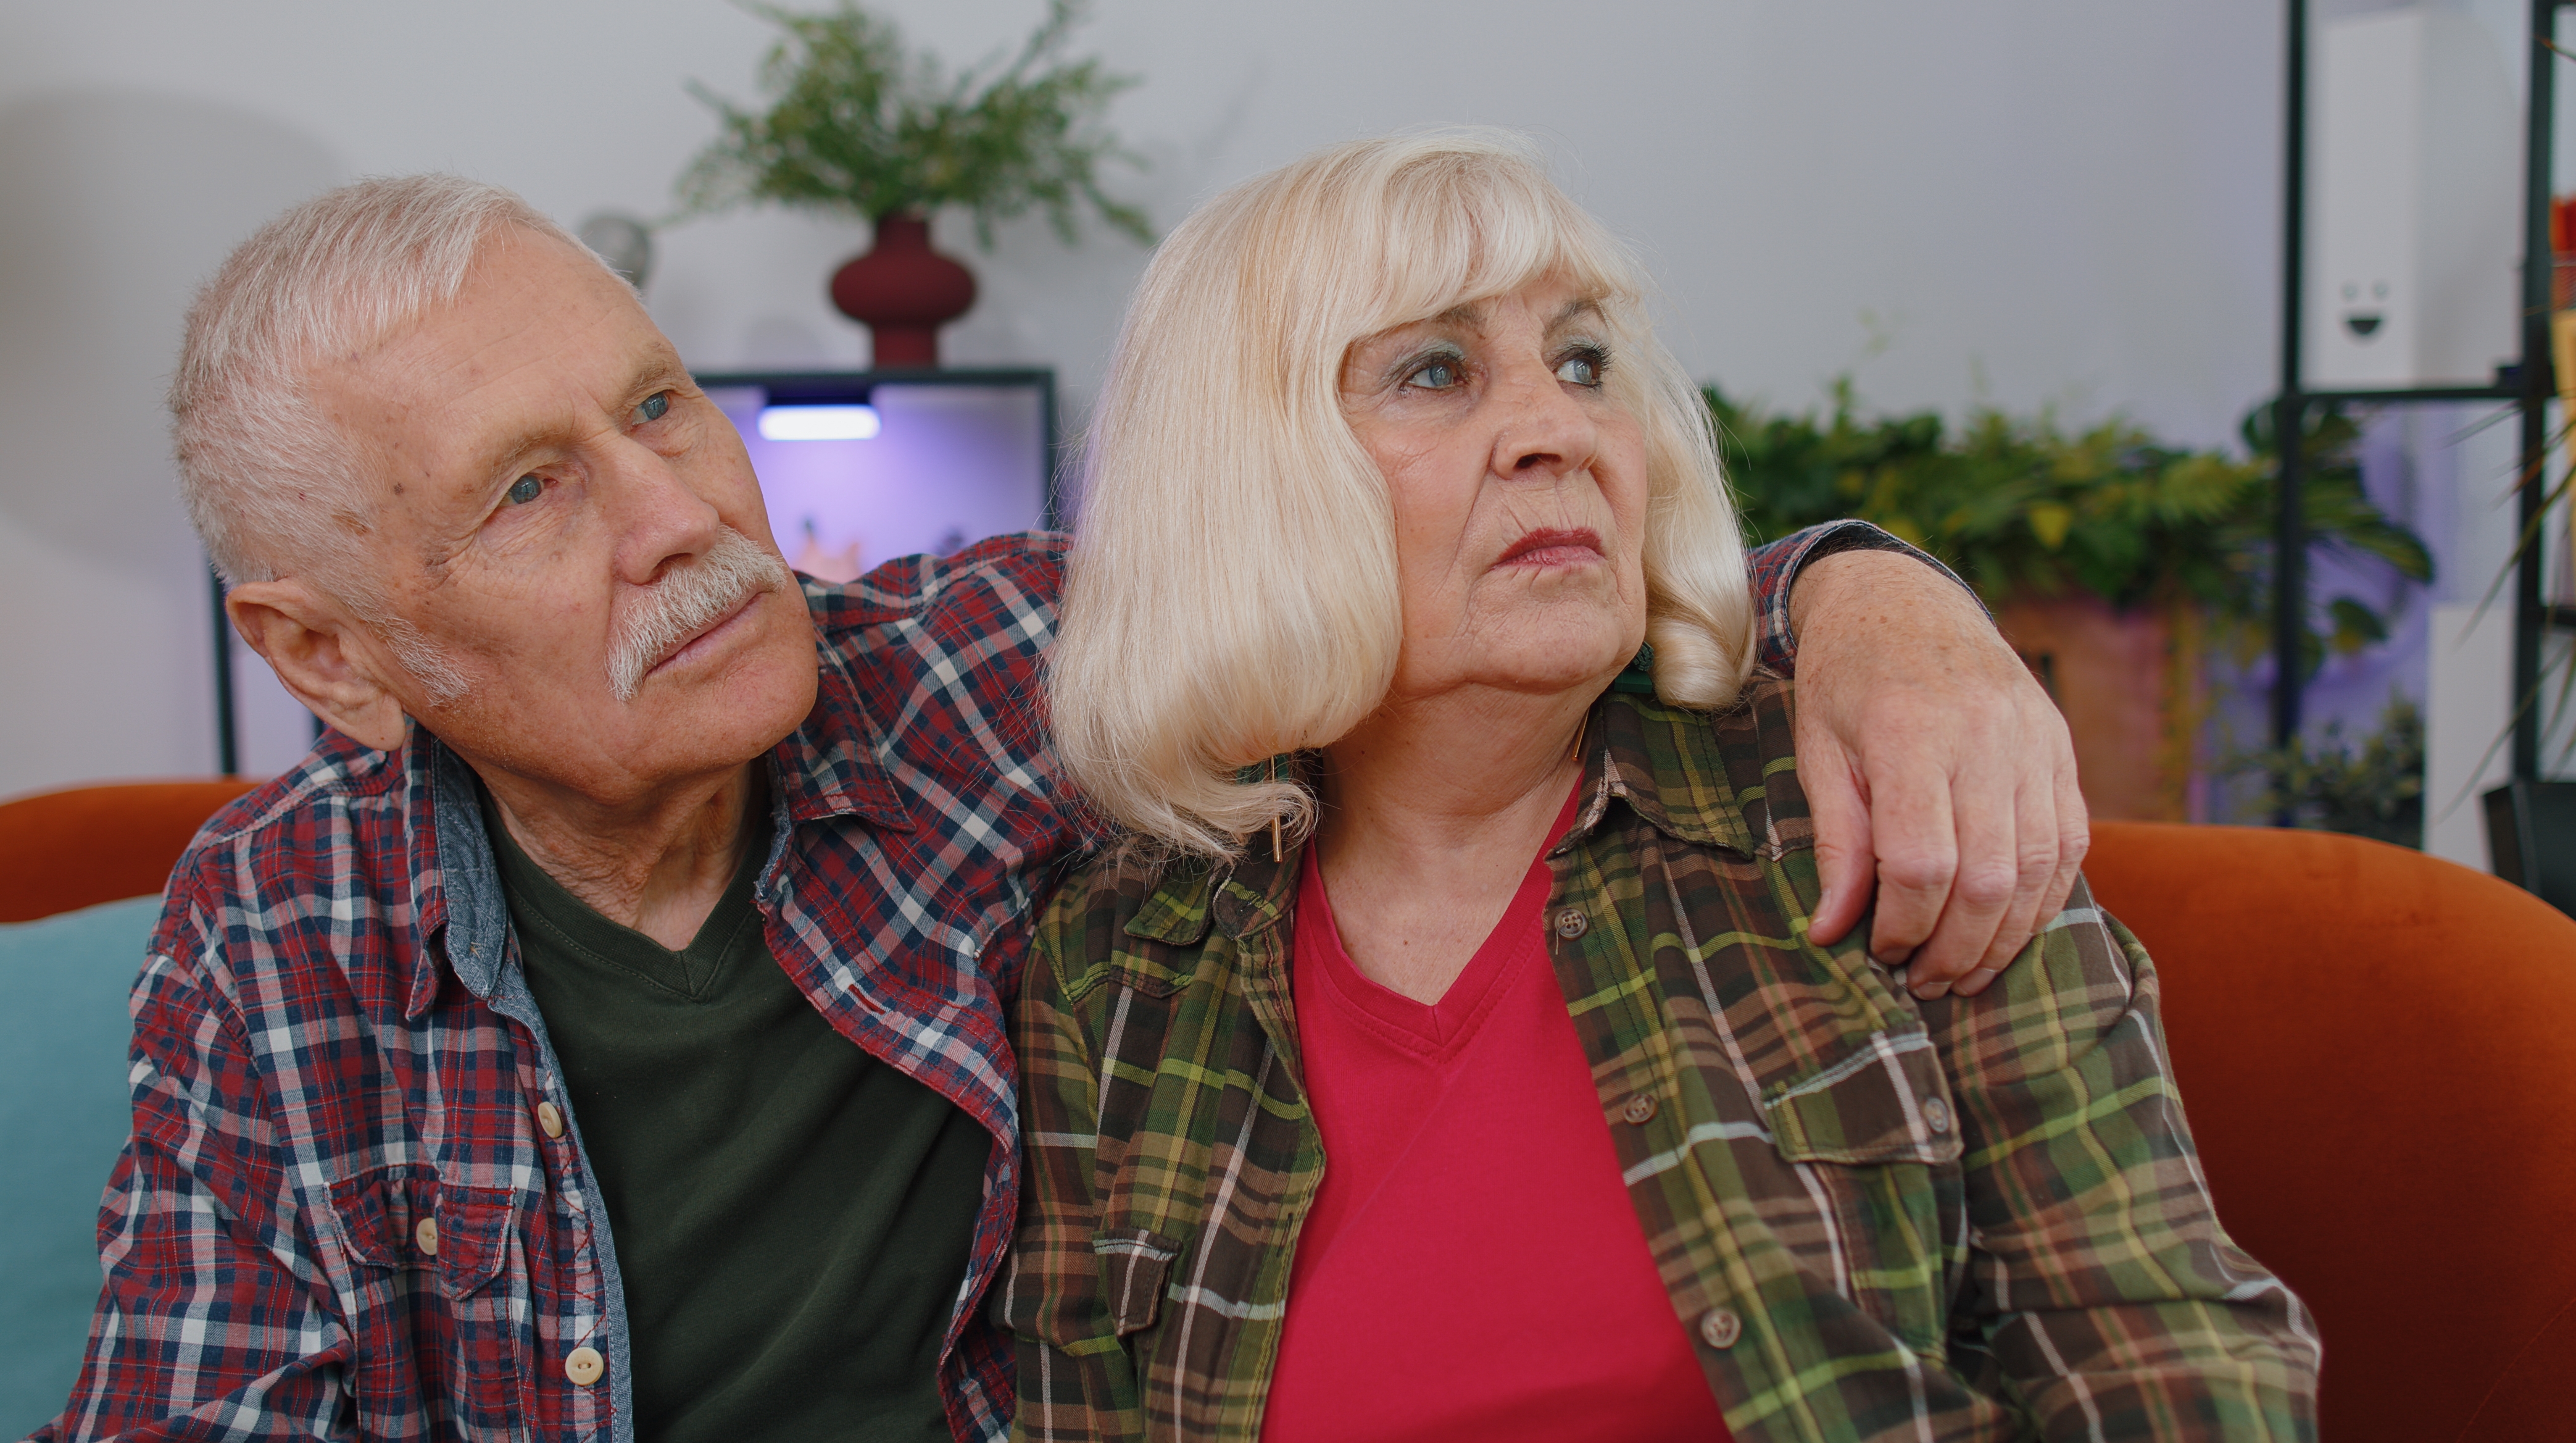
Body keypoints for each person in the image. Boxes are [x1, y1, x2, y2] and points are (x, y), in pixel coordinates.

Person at [37, 172, 2078, 1443]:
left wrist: (1869, 595)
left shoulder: (992, 677)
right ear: (329, 658)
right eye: (529, 490)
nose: (686, 519)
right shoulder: (281, 924)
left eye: (658, 404)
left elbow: (1450, 555)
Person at [1007, 132, 2318, 1441]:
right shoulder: (1117, 956)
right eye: (1436, 371)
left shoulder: (1872, 801)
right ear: (1245, 478)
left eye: (1581, 362)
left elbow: (2174, 1374)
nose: (1559, 428)